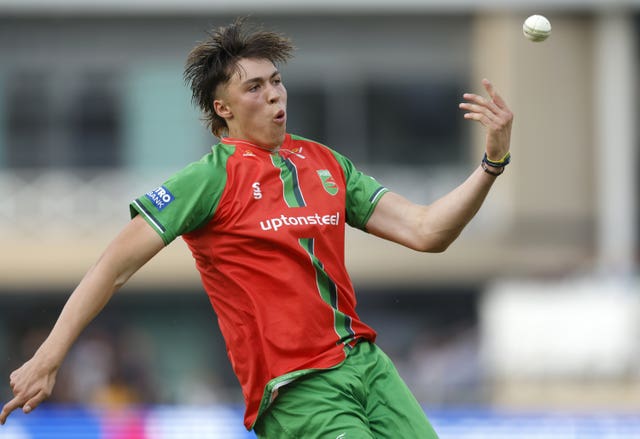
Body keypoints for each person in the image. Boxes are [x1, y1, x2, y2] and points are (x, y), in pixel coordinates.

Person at [1, 18, 513, 438]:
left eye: (276, 81)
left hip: (369, 366)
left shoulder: (324, 163)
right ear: (223, 109)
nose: (274, 95)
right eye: (254, 87)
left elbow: (427, 232)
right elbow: (112, 267)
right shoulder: (207, 179)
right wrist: (48, 358)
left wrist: (492, 162)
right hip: (296, 390)